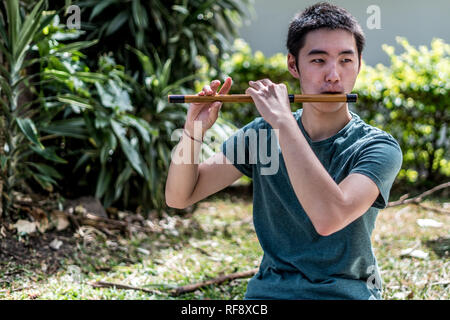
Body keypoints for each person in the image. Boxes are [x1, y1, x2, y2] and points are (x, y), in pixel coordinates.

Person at [165, 2, 402, 300]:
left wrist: (283, 122)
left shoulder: (376, 147)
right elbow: (179, 196)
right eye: (318, 61)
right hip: (269, 294)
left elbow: (329, 218)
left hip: (345, 294)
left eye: (345, 60)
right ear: (293, 65)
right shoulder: (262, 135)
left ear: (359, 63)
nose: (333, 75)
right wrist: (193, 131)